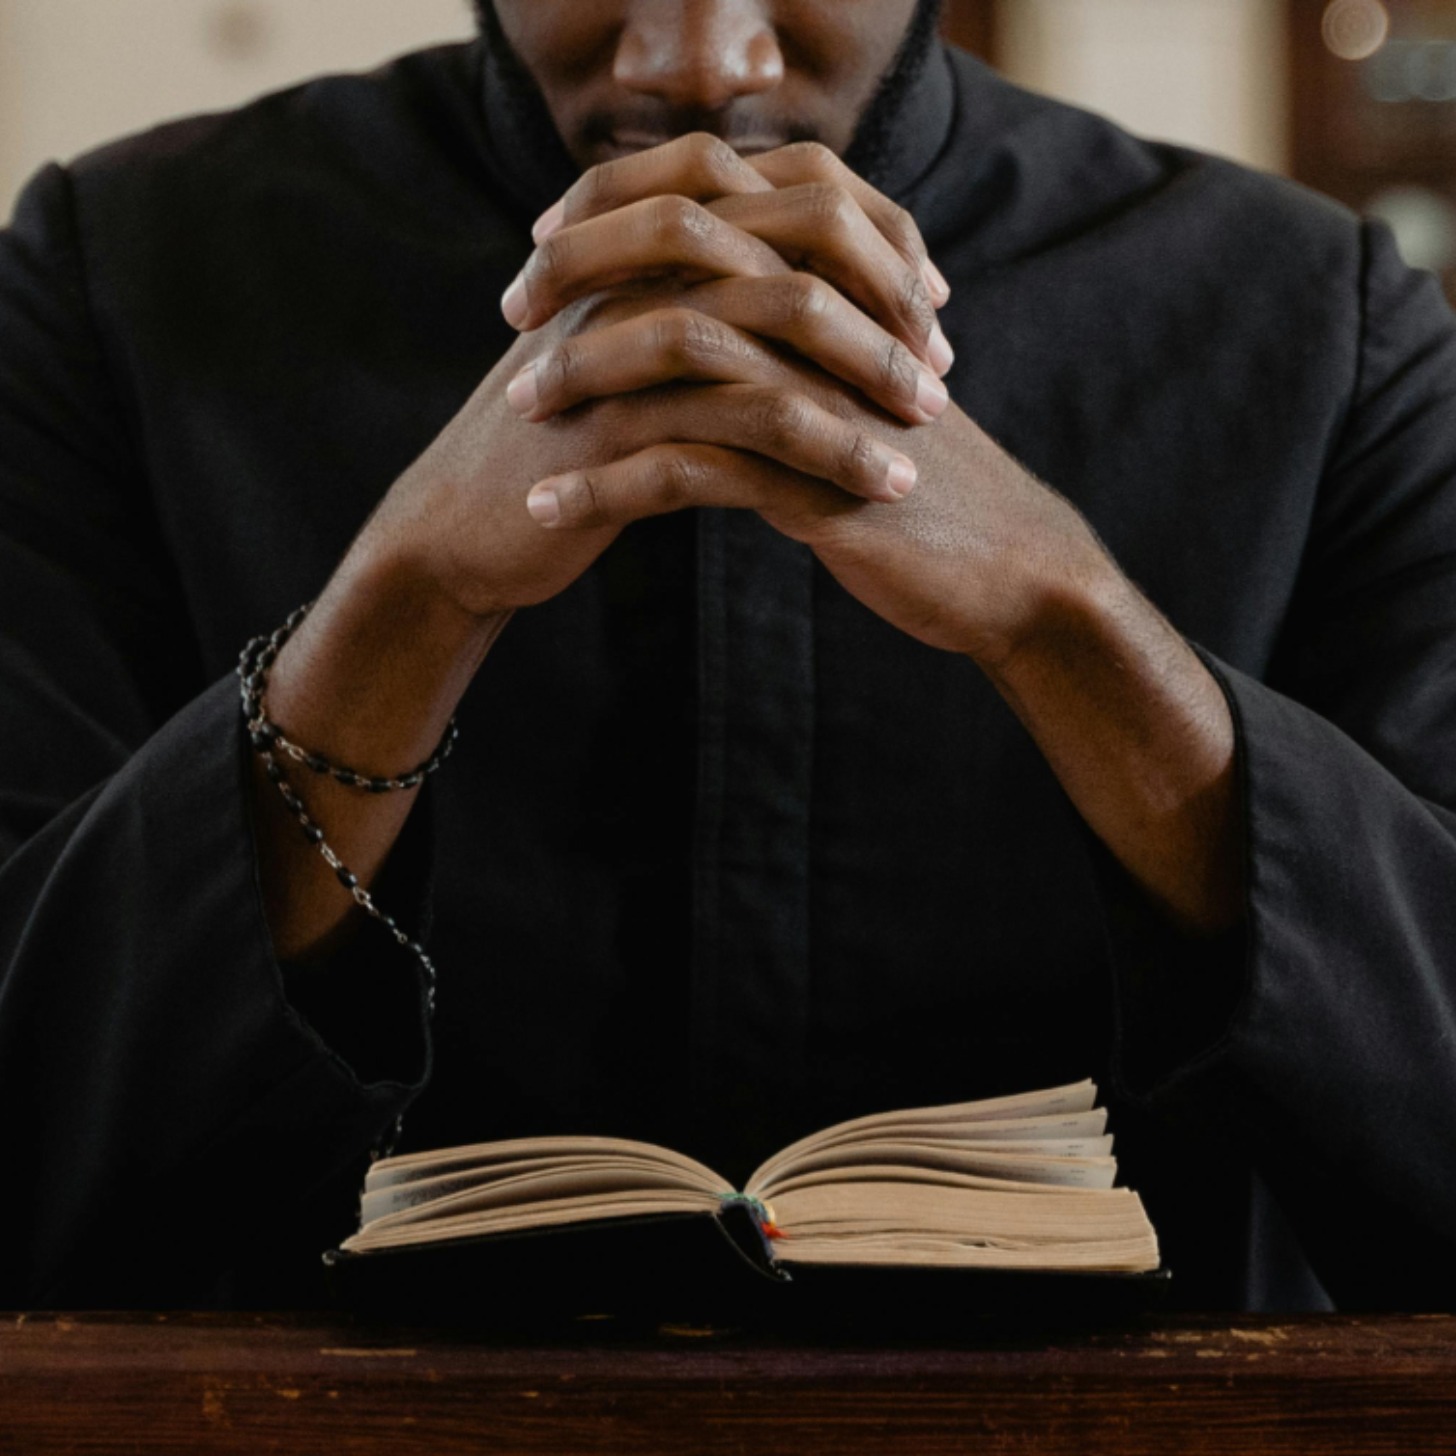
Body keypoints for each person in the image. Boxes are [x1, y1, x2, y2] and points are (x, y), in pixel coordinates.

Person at [1, 0, 1453, 1312]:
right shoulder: (116, 279)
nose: (699, 61)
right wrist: (408, 598)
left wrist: (1064, 615)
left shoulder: (1321, 324)